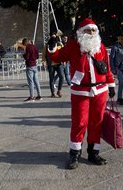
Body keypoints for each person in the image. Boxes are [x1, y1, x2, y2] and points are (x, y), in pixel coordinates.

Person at [47, 18, 116, 170]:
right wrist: (52, 48)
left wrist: (111, 84)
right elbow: (57, 57)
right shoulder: (73, 46)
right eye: (87, 30)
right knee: (79, 122)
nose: (91, 33)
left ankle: (93, 152)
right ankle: (75, 153)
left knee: (96, 122)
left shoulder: (101, 47)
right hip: (80, 92)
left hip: (100, 91)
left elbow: (107, 68)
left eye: (93, 30)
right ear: (81, 32)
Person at [110, 32, 123, 105]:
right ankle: (119, 98)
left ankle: (120, 97)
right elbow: (111, 58)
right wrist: (112, 68)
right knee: (121, 82)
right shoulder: (115, 47)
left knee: (122, 83)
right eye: (121, 39)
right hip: (118, 67)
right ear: (118, 39)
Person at [42, 33, 65, 98]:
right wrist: (43, 61)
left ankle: (59, 90)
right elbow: (44, 54)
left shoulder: (59, 44)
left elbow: (63, 52)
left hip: (59, 64)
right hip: (50, 64)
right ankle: (52, 92)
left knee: (62, 76)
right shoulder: (47, 45)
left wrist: (64, 60)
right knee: (51, 79)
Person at [22, 38, 42, 102]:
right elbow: (38, 56)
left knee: (31, 82)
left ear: (26, 42)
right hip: (34, 65)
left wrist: (24, 55)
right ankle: (39, 95)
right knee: (36, 81)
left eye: (24, 44)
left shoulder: (28, 48)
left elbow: (27, 58)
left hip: (29, 65)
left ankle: (32, 96)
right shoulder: (35, 46)